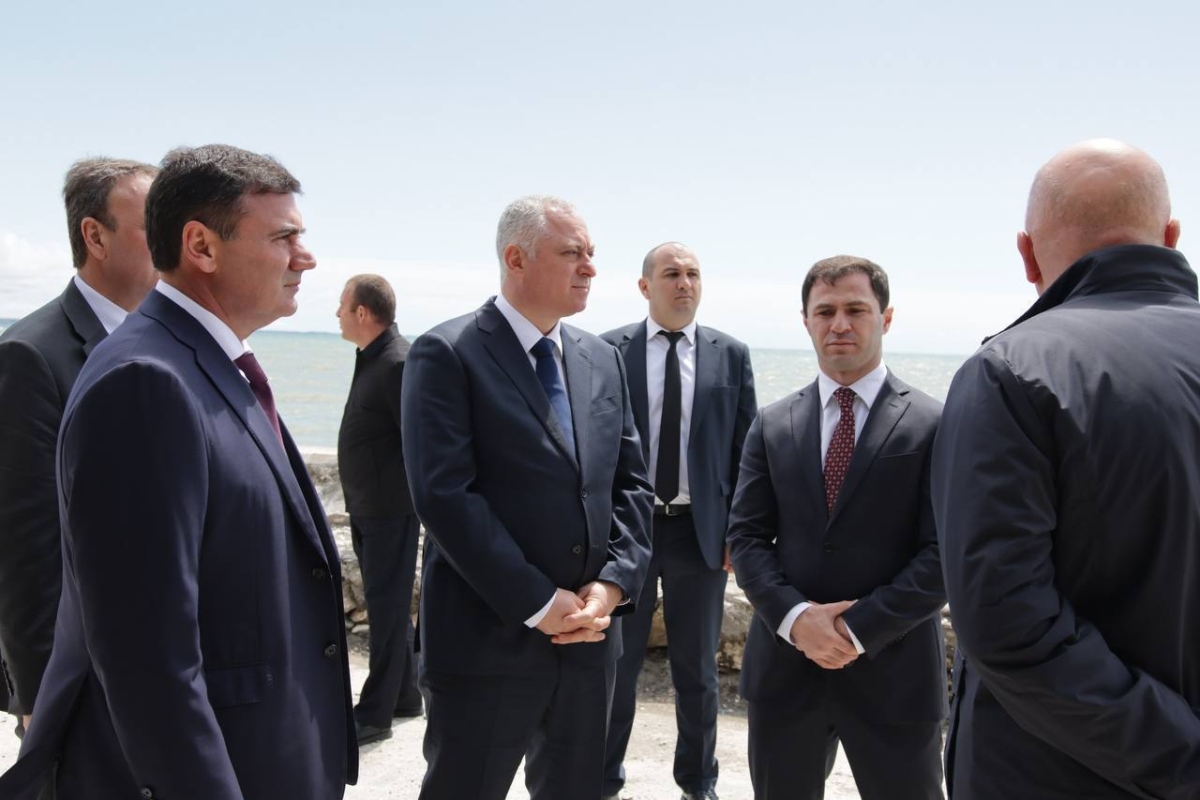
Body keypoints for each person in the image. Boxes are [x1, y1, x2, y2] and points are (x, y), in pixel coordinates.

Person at [0, 144, 357, 800]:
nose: (305, 258)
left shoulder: (209, 361)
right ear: (201, 246)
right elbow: (147, 656)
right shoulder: (145, 380)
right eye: (283, 237)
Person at [932, 139, 1200, 799]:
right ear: (1170, 236)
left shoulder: (1010, 373)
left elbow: (1007, 625)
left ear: (1026, 255)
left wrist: (1184, 759)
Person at [401, 195, 653, 800]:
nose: (590, 267)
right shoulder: (447, 352)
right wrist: (539, 602)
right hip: (484, 641)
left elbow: (631, 484)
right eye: (572, 253)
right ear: (516, 258)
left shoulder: (603, 358)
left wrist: (612, 585)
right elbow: (445, 495)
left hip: (589, 640)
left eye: (591, 253)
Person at [727, 256, 946, 800]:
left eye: (856, 309)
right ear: (805, 321)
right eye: (824, 312)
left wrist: (858, 628)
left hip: (896, 673)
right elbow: (747, 539)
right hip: (786, 670)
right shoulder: (772, 422)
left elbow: (944, 552)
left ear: (886, 318)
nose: (839, 324)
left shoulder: (935, 422)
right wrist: (797, 620)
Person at [0, 157, 157, 739]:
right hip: (82, 677)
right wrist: (43, 696)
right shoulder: (31, 355)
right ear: (95, 236)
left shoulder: (170, 343)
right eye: (154, 226)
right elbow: (24, 544)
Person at [600, 242, 756, 800]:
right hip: (628, 531)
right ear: (646, 286)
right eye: (671, 274)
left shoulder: (730, 354)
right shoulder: (607, 350)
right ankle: (602, 777)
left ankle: (698, 781)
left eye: (692, 274)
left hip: (699, 533)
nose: (684, 283)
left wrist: (740, 530)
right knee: (615, 664)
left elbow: (746, 452)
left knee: (698, 670)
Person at [335, 273, 423, 745]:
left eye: (342, 306)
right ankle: (405, 695)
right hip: (369, 507)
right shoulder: (374, 357)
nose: (337, 314)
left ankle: (374, 714)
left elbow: (419, 443)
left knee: (386, 611)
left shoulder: (397, 363)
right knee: (386, 605)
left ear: (363, 313)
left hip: (390, 511)